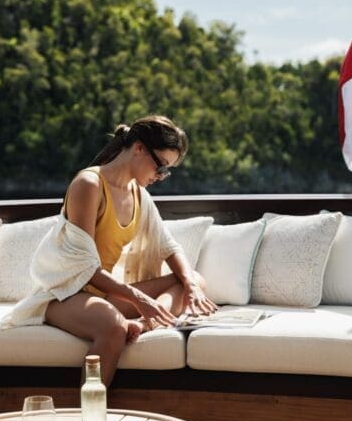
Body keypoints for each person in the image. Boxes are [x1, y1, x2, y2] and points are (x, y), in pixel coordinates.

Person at [34, 115, 217, 385]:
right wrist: (141, 300)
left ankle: (144, 325)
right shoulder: (89, 185)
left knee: (194, 279)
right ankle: (86, 418)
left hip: (105, 294)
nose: (161, 177)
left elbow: (169, 246)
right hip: (66, 294)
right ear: (139, 148)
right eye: (161, 166)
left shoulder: (138, 193)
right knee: (114, 328)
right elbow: (84, 268)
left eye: (166, 171)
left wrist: (189, 285)